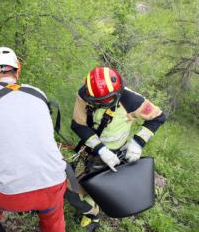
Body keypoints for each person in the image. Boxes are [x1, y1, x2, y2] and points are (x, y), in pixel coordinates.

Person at [0, 47, 68, 232]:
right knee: (54, 218)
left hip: (10, 196)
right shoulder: (38, 93)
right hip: (53, 186)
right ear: (17, 71)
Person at [67, 66, 166, 231]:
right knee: (74, 188)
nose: (99, 104)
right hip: (91, 147)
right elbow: (78, 125)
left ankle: (92, 212)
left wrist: (137, 142)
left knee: (97, 183)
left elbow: (158, 117)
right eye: (95, 101)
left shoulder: (131, 100)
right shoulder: (85, 95)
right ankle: (91, 209)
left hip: (116, 150)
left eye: (105, 101)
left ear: (117, 93)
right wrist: (100, 149)